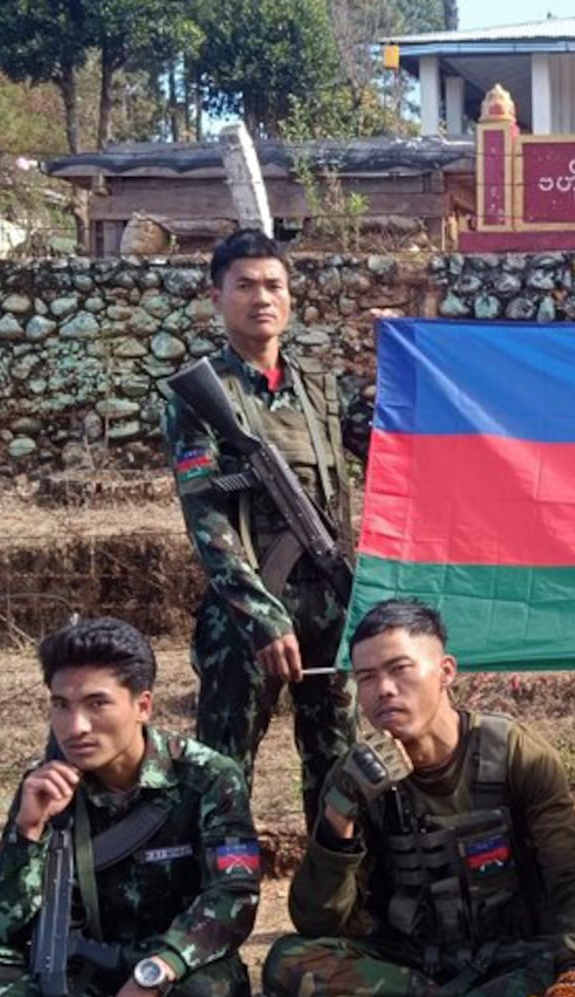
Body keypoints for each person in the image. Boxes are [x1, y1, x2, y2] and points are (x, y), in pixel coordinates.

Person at [262, 599, 575, 997]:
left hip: (512, 959)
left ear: (445, 671)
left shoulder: (515, 754)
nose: (382, 689)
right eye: (364, 678)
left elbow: (574, 879)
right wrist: (338, 817)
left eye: (400, 669)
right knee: (286, 963)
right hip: (411, 963)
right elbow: (317, 923)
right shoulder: (353, 774)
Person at [0, 617, 259, 997]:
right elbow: (0, 927)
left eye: (97, 704)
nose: (76, 727)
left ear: (142, 706)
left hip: (171, 967)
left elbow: (233, 898)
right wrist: (27, 833)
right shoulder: (47, 784)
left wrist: (152, 977)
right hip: (76, 970)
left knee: (210, 989)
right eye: (61, 705)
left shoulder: (207, 777)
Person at [161, 228, 372, 829]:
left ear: (291, 298)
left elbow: (394, 448)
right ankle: (215, 893)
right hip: (245, 617)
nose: (262, 298)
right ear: (217, 296)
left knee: (337, 762)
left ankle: (333, 898)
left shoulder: (320, 390)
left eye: (274, 285)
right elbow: (206, 518)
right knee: (223, 770)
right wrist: (261, 617)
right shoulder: (201, 397)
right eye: (245, 285)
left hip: (332, 603)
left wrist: (400, 356)